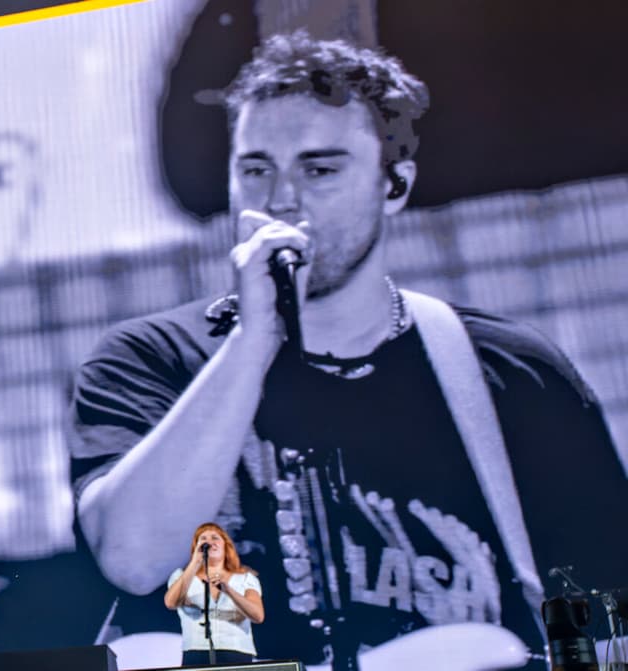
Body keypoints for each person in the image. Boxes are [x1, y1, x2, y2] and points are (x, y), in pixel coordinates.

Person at [70, 31, 627, 670]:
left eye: (320, 169)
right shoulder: (149, 360)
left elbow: (607, 614)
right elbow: (133, 560)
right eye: (255, 169)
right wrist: (252, 343)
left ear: (394, 186)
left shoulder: (509, 371)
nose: (281, 200)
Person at [164, 523, 263, 666]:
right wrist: (195, 562)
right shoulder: (181, 576)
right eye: (203, 539)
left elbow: (258, 615)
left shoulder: (245, 578)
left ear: (225, 545)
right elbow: (170, 603)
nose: (209, 542)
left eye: (215, 538)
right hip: (195, 651)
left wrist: (229, 591)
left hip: (236, 651)